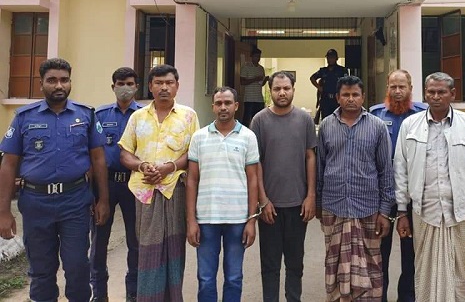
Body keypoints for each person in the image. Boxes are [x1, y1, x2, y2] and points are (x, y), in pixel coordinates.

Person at [0, 57, 109, 302]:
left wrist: (103, 199)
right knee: (41, 269)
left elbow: (99, 159)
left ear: (70, 82)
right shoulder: (24, 117)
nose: (59, 85)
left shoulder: (86, 115)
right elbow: (8, 164)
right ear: (41, 84)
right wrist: (3, 211)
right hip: (36, 203)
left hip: (75, 201)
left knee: (77, 266)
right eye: (52, 80)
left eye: (64, 80)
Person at [394, 72, 465, 302]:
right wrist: (401, 211)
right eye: (431, 92)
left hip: (461, 213)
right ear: (425, 94)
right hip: (423, 212)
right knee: (424, 272)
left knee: (461, 275)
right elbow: (400, 169)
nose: (436, 97)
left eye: (441, 92)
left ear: (453, 94)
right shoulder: (410, 125)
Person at [119, 64, 199, 302]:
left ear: (177, 86)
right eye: (159, 83)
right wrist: (142, 166)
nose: (164, 87)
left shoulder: (188, 116)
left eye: (169, 83)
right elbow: (125, 154)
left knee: (174, 250)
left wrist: (169, 167)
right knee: (149, 251)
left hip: (175, 190)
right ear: (150, 87)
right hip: (145, 193)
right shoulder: (137, 117)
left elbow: (194, 153)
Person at [316, 75, 395, 301]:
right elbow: (320, 166)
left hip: (368, 207)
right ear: (337, 97)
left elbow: (385, 170)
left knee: (370, 263)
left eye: (355, 95)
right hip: (334, 205)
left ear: (363, 97)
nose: (350, 99)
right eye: (345, 95)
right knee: (335, 262)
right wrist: (319, 203)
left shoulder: (377, 126)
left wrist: (384, 211)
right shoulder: (327, 125)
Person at [186, 87, 259, 302]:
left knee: (234, 277)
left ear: (236, 106)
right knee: (205, 278)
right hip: (206, 218)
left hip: (238, 219)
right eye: (219, 103)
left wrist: (251, 220)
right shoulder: (199, 137)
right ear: (213, 107)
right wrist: (191, 221)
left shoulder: (248, 137)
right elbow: (192, 180)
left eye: (228, 103)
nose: (223, 107)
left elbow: (253, 179)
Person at [250, 71, 317, 302]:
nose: (282, 93)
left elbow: (310, 156)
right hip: (270, 205)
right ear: (270, 91)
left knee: (295, 262)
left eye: (286, 88)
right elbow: (255, 162)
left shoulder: (304, 119)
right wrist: (263, 200)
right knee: (270, 264)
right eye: (277, 89)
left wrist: (311, 195)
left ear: (293, 90)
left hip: (298, 203)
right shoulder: (259, 120)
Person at [369, 70, 427, 302]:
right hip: (382, 194)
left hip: (412, 194)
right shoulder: (375, 114)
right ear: (387, 88)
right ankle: (379, 296)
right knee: (379, 251)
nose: (397, 91)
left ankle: (407, 297)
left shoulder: (422, 114)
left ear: (410, 88)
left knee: (410, 251)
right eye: (393, 87)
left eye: (402, 87)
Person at [91, 67, 143, 302]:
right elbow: (92, 153)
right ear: (113, 87)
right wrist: (94, 194)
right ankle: (99, 292)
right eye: (120, 84)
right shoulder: (100, 115)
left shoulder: (144, 115)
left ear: (137, 87)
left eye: (130, 83)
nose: (125, 88)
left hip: (134, 184)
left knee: (136, 240)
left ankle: (133, 291)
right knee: (99, 240)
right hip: (105, 184)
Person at [310, 49, 347, 121]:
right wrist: (319, 87)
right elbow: (312, 78)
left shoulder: (342, 70)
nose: (330, 59)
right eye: (328, 57)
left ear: (336, 58)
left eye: (332, 57)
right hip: (325, 100)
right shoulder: (323, 71)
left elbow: (347, 83)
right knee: (326, 121)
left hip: (338, 100)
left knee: (339, 120)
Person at [240, 47, 268, 126]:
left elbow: (261, 84)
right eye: (256, 56)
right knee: (247, 119)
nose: (257, 58)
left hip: (259, 98)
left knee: (259, 119)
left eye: (259, 56)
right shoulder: (246, 67)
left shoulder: (261, 68)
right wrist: (255, 79)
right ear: (251, 56)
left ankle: (257, 132)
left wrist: (265, 80)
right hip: (249, 98)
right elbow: (242, 82)